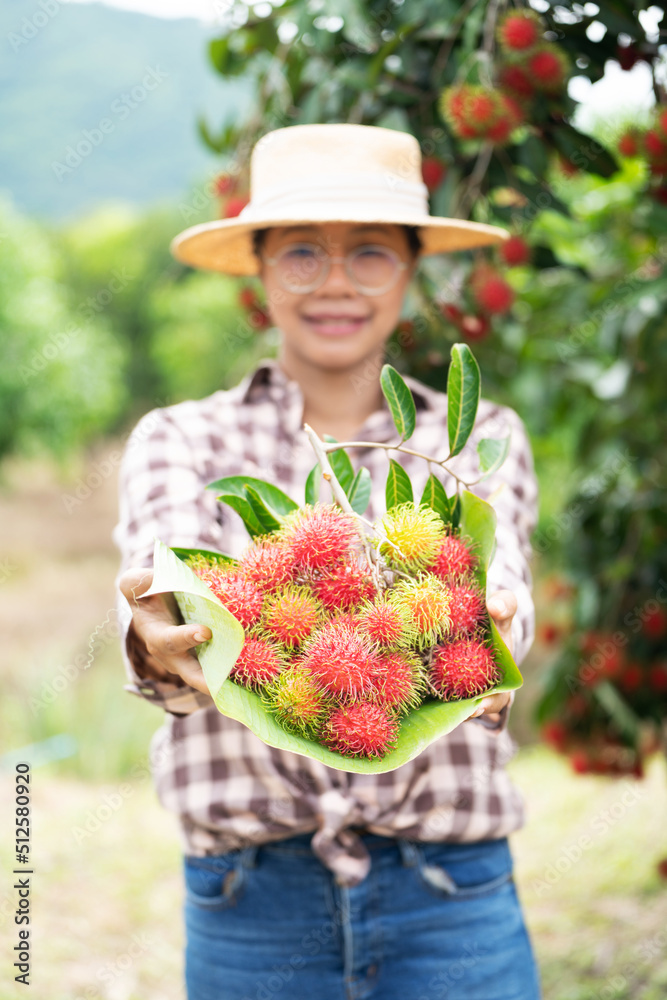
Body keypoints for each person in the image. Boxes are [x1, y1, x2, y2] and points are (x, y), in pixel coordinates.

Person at [114, 123, 541, 1000]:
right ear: (261, 271)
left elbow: (504, 594)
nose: (336, 282)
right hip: (247, 902)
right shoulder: (182, 438)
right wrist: (158, 635)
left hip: (451, 894)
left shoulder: (475, 439)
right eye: (303, 252)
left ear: (411, 272)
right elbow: (166, 597)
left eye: (371, 253)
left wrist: (495, 636)